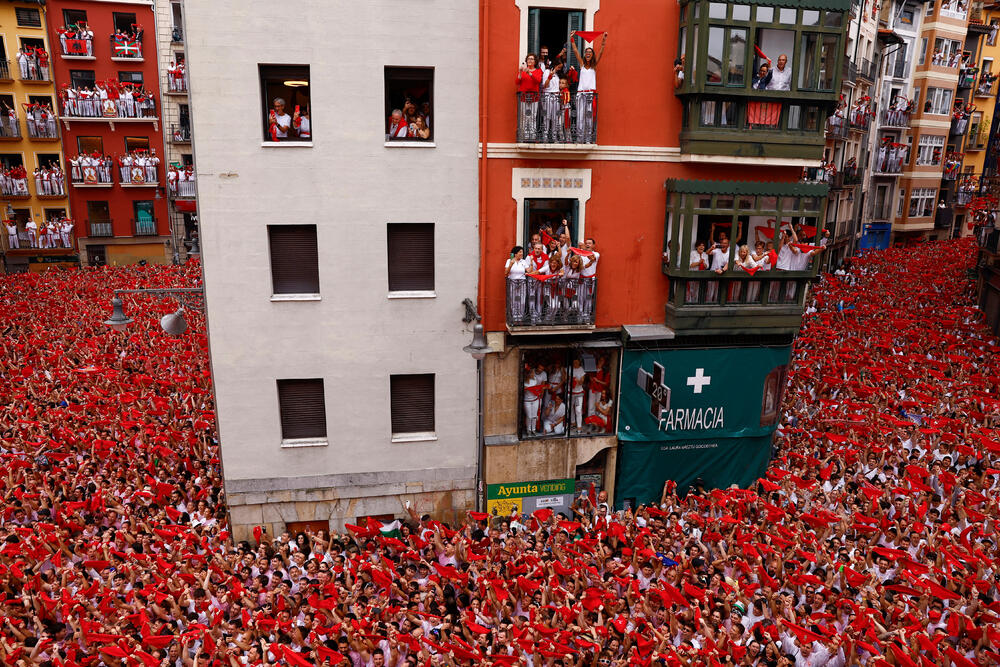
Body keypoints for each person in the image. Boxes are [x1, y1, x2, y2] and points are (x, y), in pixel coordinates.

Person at [570, 33, 607, 143]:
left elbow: (601, 53)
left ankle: (587, 138)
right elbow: (575, 51)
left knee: (589, 117)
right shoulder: (581, 65)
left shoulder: (593, 66)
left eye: (590, 52)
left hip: (590, 95)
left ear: (592, 55)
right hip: (581, 94)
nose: (588, 53)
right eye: (587, 52)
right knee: (580, 116)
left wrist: (603, 41)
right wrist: (572, 39)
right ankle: (580, 138)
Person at [516, 54, 543, 141]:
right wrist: (520, 72)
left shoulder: (538, 71)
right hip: (524, 96)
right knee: (524, 116)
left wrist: (529, 73)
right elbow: (517, 82)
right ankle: (525, 135)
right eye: (528, 59)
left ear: (535, 61)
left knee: (533, 116)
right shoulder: (523, 71)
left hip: (534, 97)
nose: (530, 60)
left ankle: (532, 135)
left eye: (532, 59)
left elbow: (538, 80)